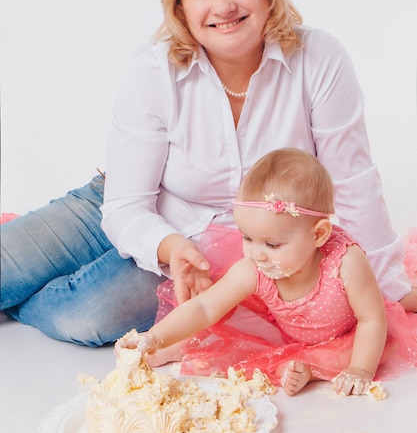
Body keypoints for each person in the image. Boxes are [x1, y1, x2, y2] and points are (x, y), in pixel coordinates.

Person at [1, 0, 416, 346]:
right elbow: (125, 204)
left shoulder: (320, 58)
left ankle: (21, 299)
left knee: (87, 316)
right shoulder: (153, 69)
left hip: (206, 254)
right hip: (121, 203)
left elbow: (353, 184)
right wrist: (165, 242)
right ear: (180, 6)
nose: (222, 5)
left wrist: (387, 289)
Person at [117, 148, 417, 396]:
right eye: (247, 237)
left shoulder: (346, 262)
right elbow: (205, 308)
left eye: (272, 244)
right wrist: (155, 336)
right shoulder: (255, 268)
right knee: (222, 312)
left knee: (377, 315)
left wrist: (360, 369)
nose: (256, 253)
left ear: (319, 235)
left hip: (345, 331)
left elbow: (370, 318)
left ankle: (307, 368)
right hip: (285, 329)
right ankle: (175, 346)